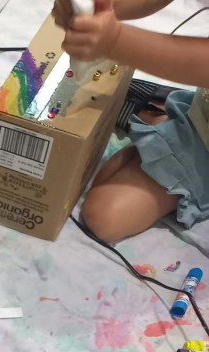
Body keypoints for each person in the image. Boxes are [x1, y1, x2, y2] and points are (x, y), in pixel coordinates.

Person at [54, 0, 209, 241]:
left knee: (103, 217)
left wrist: (114, 40)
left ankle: (157, 120)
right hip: (201, 118)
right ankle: (159, 118)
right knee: (105, 208)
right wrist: (101, 7)